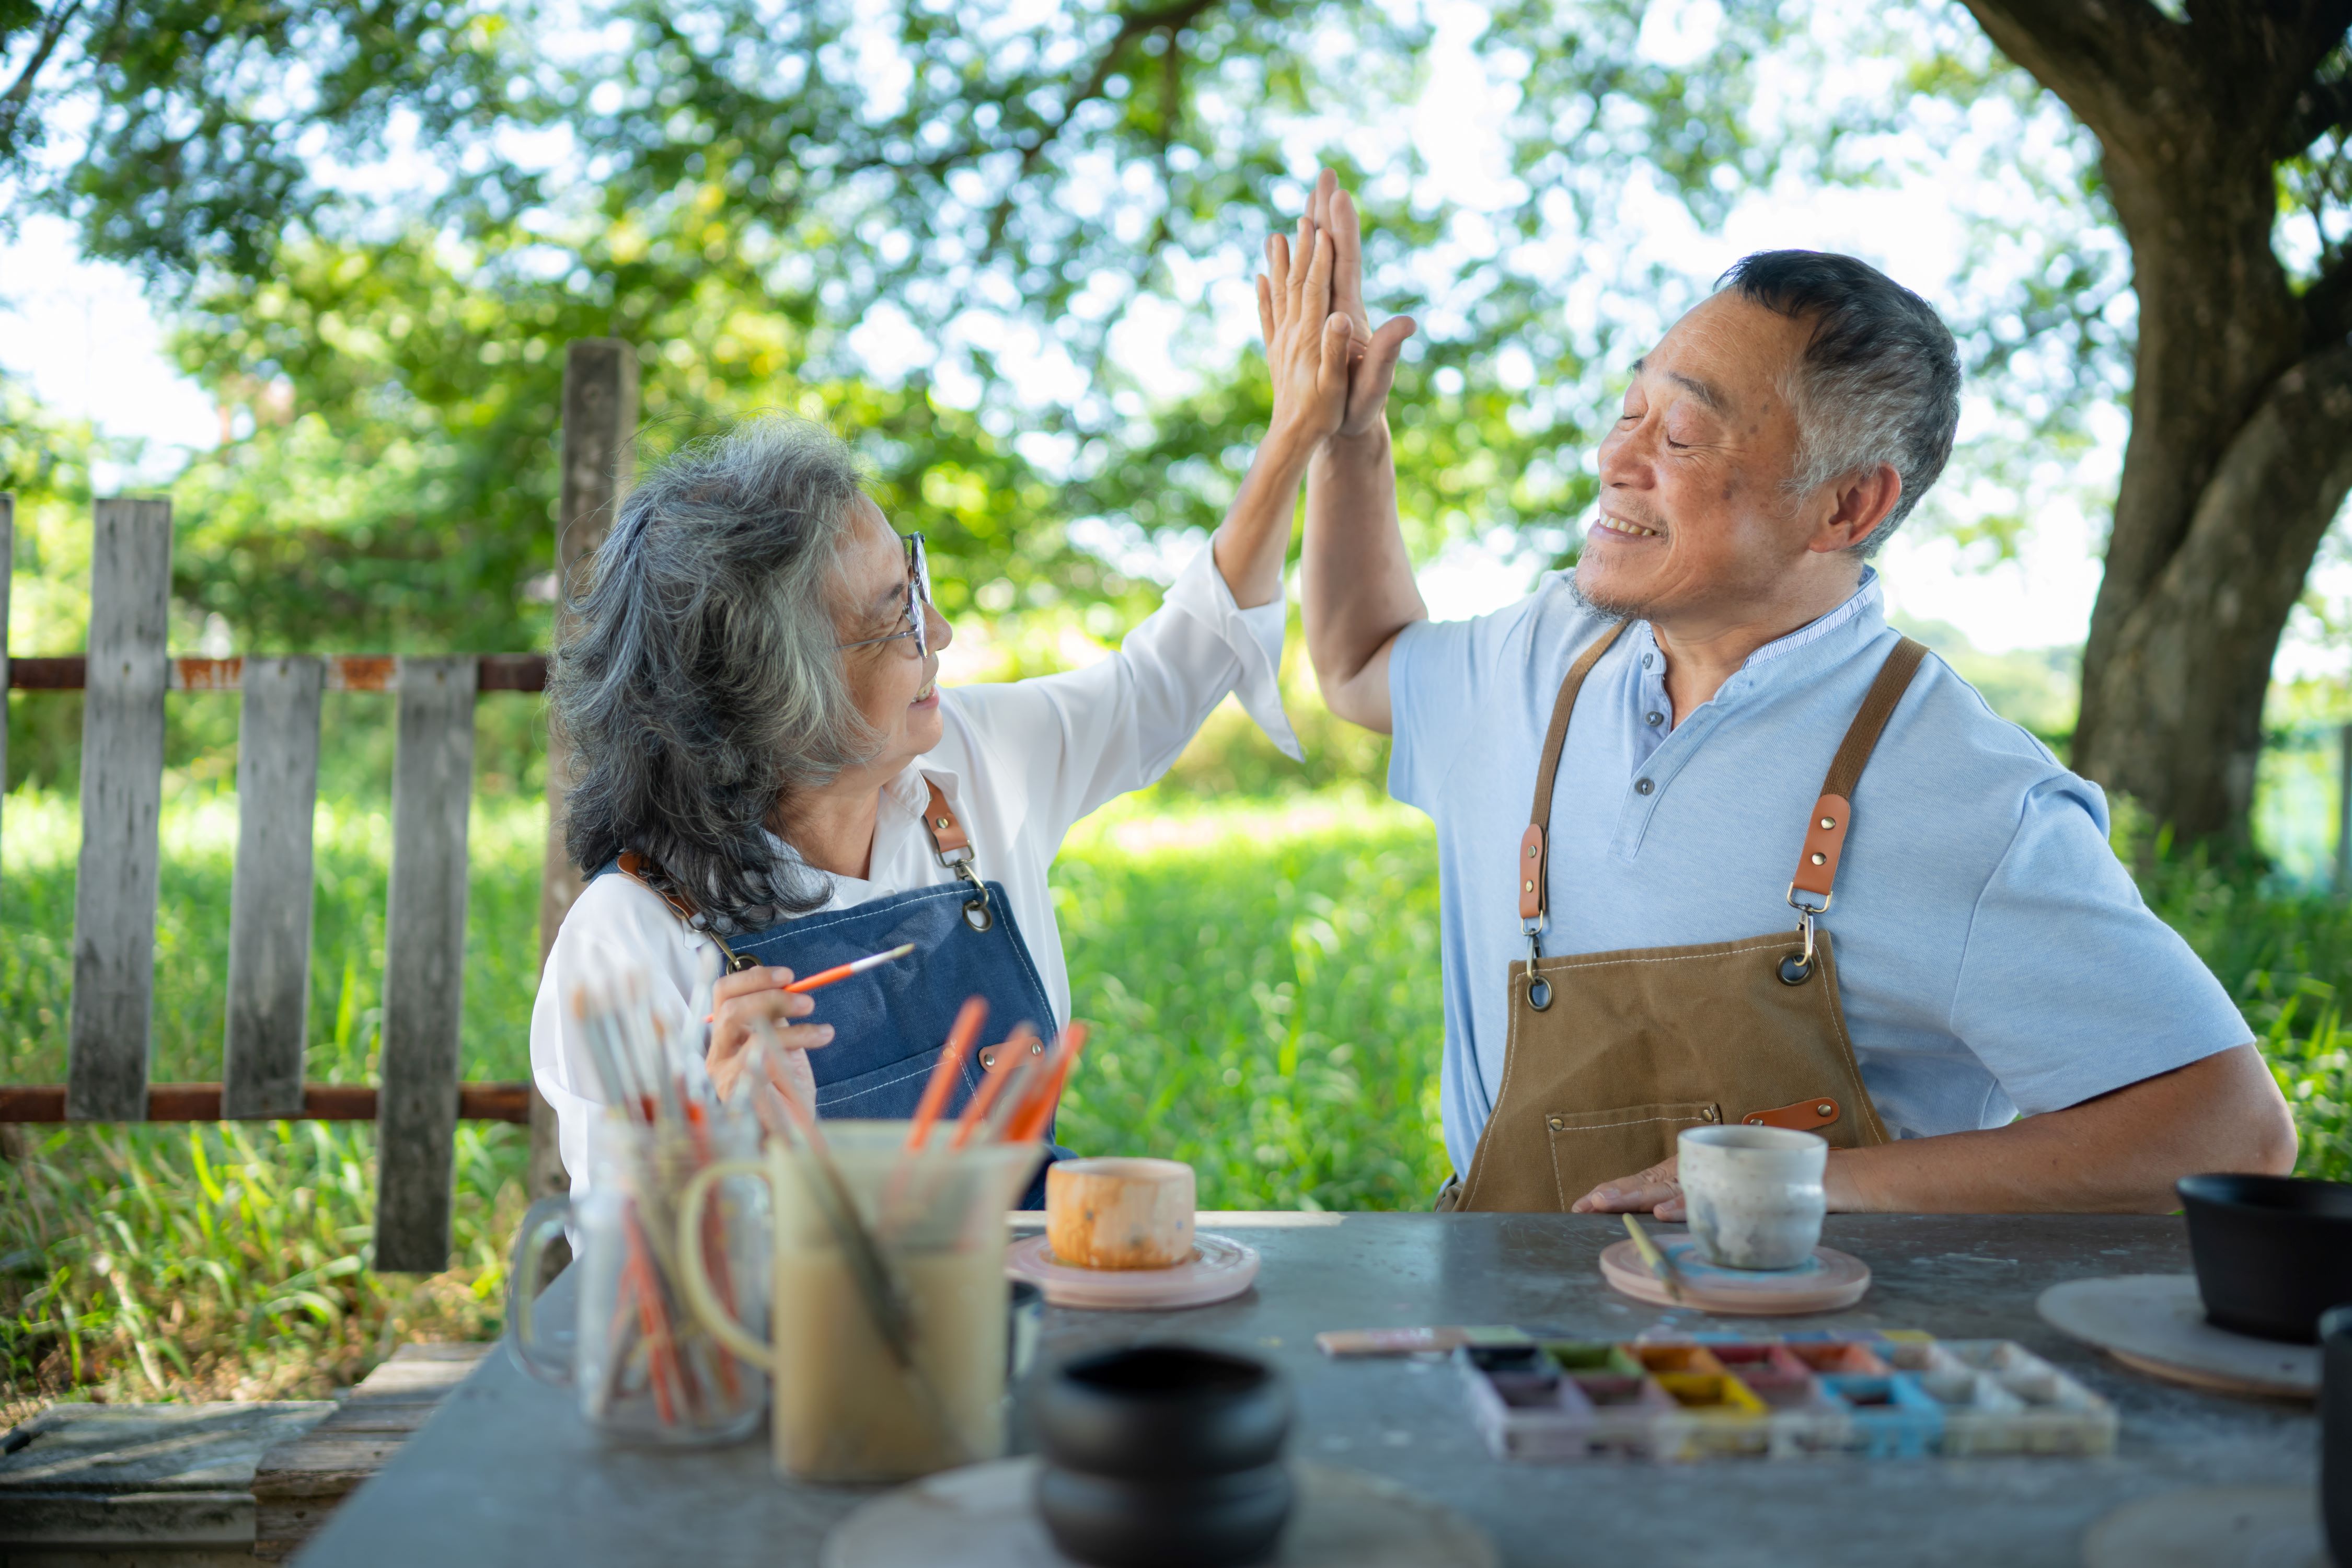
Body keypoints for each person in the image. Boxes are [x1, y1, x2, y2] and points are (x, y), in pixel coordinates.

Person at [1291, 168, 2297, 1216]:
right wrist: (1348, 438)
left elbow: (2232, 1129)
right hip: (1509, 1342)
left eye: (1680, 438)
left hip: (1810, 1360)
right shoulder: (1545, 653)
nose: (1616, 458)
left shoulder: (1969, 797)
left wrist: (1804, 1184)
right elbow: (1362, 663)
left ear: (1847, 505)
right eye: (1630, 410)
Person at [529, 224, 1367, 1196]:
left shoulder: (969, 764)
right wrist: (730, 1164)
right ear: (775, 695)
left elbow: (1165, 677)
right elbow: (637, 1303)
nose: (945, 630)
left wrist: (1295, 432)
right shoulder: (628, 946)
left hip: (1031, 1316)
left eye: (915, 578)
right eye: (896, 618)